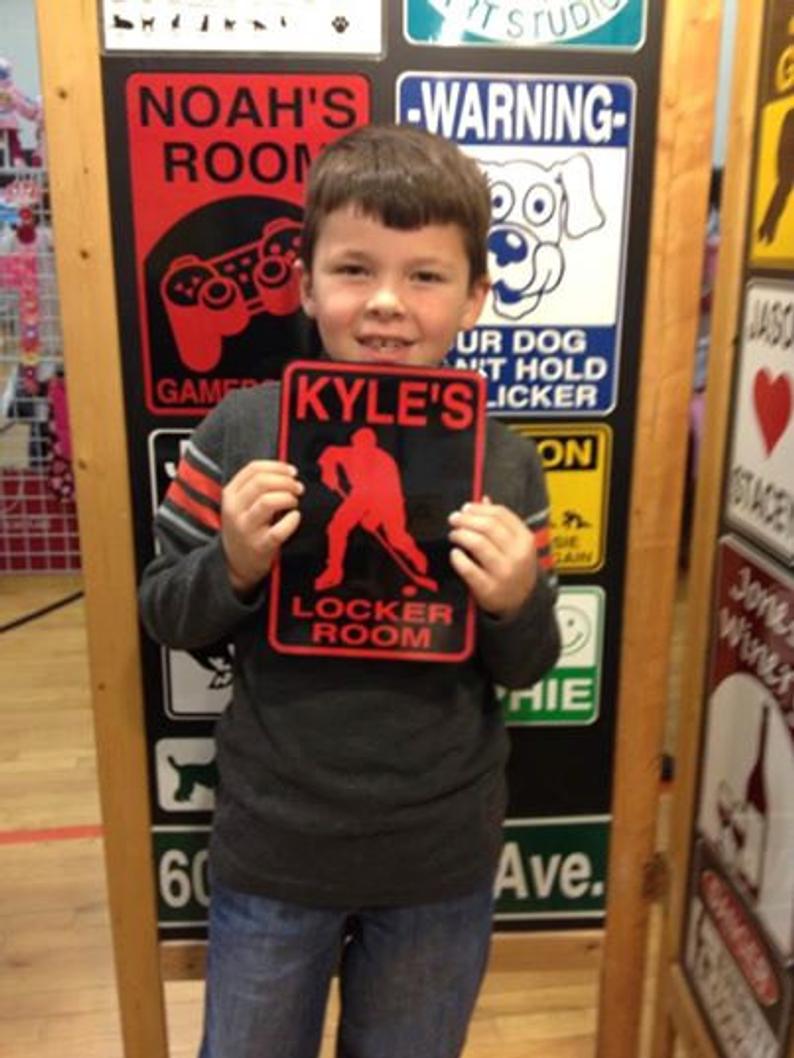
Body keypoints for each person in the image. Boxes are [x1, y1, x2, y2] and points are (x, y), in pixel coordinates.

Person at [139, 123, 561, 1058]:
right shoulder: (243, 430)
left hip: (440, 856)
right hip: (275, 848)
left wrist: (513, 600)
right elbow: (165, 610)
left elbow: (528, 664)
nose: (386, 304)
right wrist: (233, 563)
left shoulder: (506, 461)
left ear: (475, 297)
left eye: (426, 275)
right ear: (304, 283)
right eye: (354, 269)